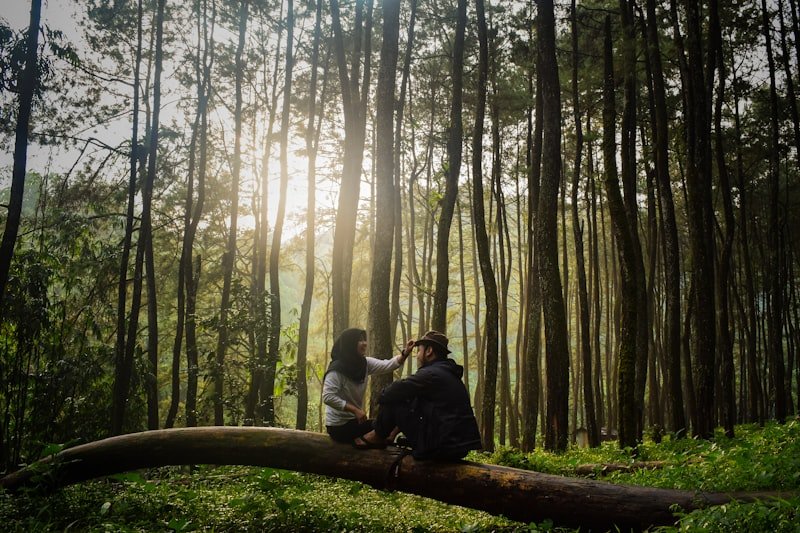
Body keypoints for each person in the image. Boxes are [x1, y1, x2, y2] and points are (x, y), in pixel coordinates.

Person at [357, 330, 482, 460]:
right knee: (411, 398)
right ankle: (390, 435)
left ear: (429, 351)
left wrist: (381, 396)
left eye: (419, 350)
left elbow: (390, 392)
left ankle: (377, 436)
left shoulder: (431, 374)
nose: (417, 355)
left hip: (441, 446)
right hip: (456, 446)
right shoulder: (446, 373)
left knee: (394, 397)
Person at [322, 327, 414, 446]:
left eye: (365, 339)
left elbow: (387, 365)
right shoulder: (336, 370)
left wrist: (405, 353)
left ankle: (380, 440)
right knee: (380, 430)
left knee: (383, 428)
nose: (365, 343)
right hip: (339, 426)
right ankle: (364, 442)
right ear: (350, 343)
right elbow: (328, 397)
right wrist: (355, 410)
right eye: (360, 340)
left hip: (356, 422)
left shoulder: (364, 363)